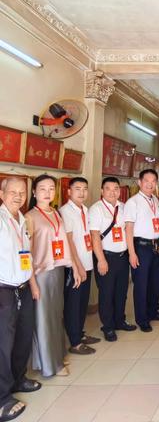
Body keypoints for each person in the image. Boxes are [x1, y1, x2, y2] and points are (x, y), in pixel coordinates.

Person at [25, 175, 80, 377]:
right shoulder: (30, 217)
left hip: (57, 270)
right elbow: (27, 253)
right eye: (42, 189)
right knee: (43, 319)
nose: (47, 193)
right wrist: (32, 283)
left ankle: (56, 354)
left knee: (56, 316)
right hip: (41, 274)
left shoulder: (56, 213)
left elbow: (64, 242)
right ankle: (50, 366)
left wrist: (73, 266)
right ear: (33, 192)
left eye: (51, 188)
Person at [0, 177, 41, 422]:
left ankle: (18, 380)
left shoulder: (24, 220)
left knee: (23, 337)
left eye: (22, 192)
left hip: (24, 287)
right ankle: (2, 398)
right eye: (12, 192)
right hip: (3, 289)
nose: (18, 196)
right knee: (3, 344)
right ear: (2, 193)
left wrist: (33, 283)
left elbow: (27, 255)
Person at [89, 177, 136, 341]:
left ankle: (119, 321)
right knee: (106, 293)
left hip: (122, 257)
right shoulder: (96, 209)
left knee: (121, 292)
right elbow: (94, 236)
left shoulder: (123, 207)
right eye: (108, 189)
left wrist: (131, 253)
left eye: (116, 188)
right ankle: (107, 326)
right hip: (106, 257)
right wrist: (101, 260)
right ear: (102, 191)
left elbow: (128, 231)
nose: (112, 192)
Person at [59, 177, 100, 355]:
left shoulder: (85, 209)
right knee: (73, 304)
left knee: (83, 302)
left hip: (87, 263)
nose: (82, 192)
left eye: (85, 189)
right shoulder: (65, 211)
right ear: (69, 191)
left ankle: (80, 333)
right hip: (75, 266)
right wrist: (78, 265)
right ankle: (75, 342)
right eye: (77, 189)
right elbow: (69, 242)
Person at [125, 169, 159, 333]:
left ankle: (153, 311)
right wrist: (132, 253)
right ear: (139, 182)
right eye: (147, 181)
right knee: (141, 284)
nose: (150, 184)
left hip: (156, 246)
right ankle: (142, 319)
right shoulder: (132, 202)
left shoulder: (155, 200)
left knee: (155, 282)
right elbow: (129, 229)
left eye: (153, 181)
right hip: (141, 247)